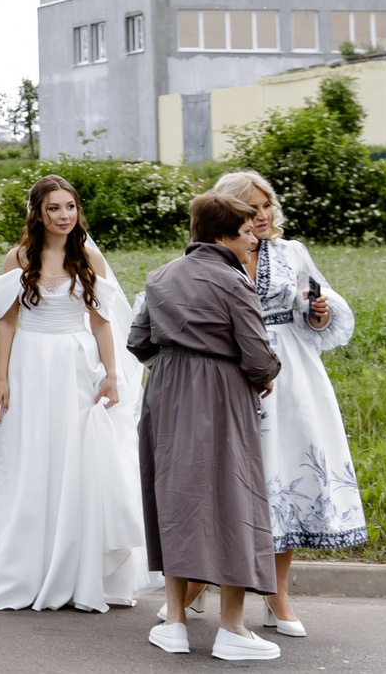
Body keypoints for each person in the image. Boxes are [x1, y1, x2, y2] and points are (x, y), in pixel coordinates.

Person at [0, 175, 154, 611]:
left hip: (74, 365)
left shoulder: (88, 257)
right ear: (38, 213)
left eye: (70, 207)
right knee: (24, 456)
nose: (64, 216)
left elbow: (102, 320)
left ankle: (73, 563)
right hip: (30, 365)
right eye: (54, 208)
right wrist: (1, 380)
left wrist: (111, 374)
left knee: (73, 458)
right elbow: (7, 322)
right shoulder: (20, 257)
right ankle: (21, 560)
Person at [207, 169, 365, 637]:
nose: (261, 215)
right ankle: (193, 589)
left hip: (291, 374)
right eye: (250, 208)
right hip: (230, 369)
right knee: (227, 478)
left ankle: (277, 598)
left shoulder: (291, 252)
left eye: (266, 205)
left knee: (286, 479)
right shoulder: (213, 252)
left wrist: (318, 312)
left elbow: (320, 311)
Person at [130, 192, 281, 663]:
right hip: (221, 395)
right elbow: (258, 356)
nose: (250, 241)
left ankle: (174, 622)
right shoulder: (234, 282)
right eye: (244, 234)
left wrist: (176, 363)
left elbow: (138, 340)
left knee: (175, 497)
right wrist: (260, 375)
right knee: (234, 496)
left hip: (167, 393)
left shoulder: (161, 277)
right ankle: (232, 629)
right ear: (221, 235)